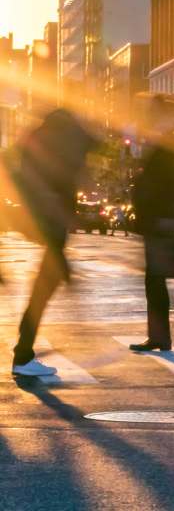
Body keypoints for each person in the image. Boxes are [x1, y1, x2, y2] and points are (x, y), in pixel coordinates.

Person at [9, 109, 96, 377]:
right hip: (52, 225)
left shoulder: (38, 141)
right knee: (43, 288)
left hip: (46, 223)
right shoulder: (60, 146)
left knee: (43, 287)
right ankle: (23, 355)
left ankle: (24, 351)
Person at [130, 95, 174, 353]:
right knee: (154, 279)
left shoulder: (166, 145)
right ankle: (158, 336)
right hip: (158, 219)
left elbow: (163, 186)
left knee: (155, 278)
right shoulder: (162, 143)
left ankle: (160, 337)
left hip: (159, 219)